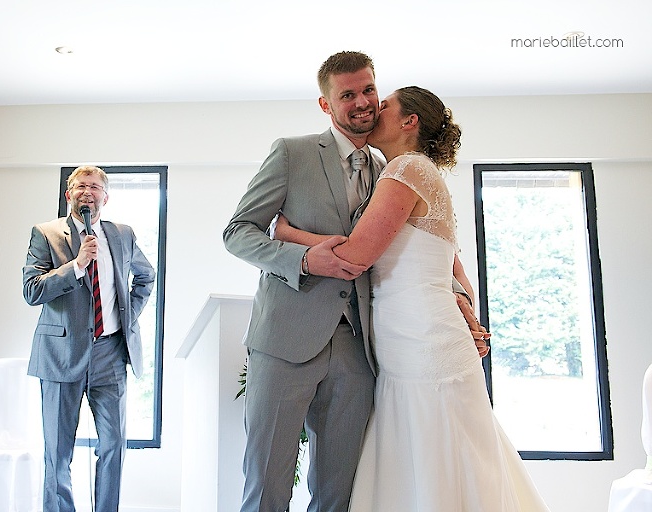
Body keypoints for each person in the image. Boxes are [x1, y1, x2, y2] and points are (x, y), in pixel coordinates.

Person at [223, 51, 489, 512]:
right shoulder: (292, 152)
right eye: (348, 95)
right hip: (285, 340)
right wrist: (302, 259)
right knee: (267, 485)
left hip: (361, 348)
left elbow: (426, 248)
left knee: (340, 492)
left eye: (369, 90)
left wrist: (459, 297)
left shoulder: (395, 169)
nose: (364, 102)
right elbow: (238, 232)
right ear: (326, 104)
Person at [274, 86, 549, 511]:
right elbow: (450, 264)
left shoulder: (406, 169)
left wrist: (288, 234)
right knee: (432, 450)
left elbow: (356, 256)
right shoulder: (411, 170)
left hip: (422, 341)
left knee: (433, 449)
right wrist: (463, 302)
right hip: (410, 336)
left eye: (384, 104)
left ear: (409, 121)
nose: (373, 108)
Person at [23, 165, 156, 512]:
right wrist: (77, 265)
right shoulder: (46, 234)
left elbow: (146, 277)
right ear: (69, 195)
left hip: (110, 353)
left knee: (114, 445)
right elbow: (32, 290)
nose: (88, 192)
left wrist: (126, 317)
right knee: (58, 451)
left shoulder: (122, 234)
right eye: (81, 186)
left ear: (105, 198)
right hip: (60, 354)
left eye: (95, 187)